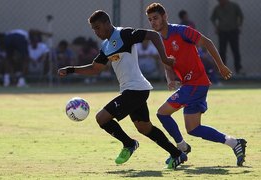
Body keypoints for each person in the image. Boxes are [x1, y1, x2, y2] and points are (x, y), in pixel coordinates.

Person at [58, 10, 186, 170]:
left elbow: (153, 35)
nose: (96, 32)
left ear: (106, 23)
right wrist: (71, 69)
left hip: (136, 90)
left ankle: (129, 143)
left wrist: (165, 58)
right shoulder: (105, 46)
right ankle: (177, 154)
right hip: (132, 90)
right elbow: (95, 68)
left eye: (97, 27)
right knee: (144, 128)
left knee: (101, 118)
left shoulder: (124, 34)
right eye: (93, 29)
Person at [146, 3, 247, 166]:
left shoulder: (182, 30)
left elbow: (207, 43)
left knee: (162, 113)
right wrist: (170, 78)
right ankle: (234, 143)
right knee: (193, 128)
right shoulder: (159, 40)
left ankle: (181, 149)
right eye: (150, 20)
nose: (153, 22)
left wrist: (220, 66)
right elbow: (167, 65)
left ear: (165, 17)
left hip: (196, 83)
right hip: (191, 85)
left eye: (156, 18)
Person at [211, 0, 244, 75]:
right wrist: (216, 27)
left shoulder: (234, 6)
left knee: (235, 50)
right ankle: (222, 69)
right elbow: (213, 18)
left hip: (233, 30)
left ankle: (238, 68)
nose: (220, 2)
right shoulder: (217, 8)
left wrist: (239, 26)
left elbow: (240, 16)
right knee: (222, 51)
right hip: (222, 31)